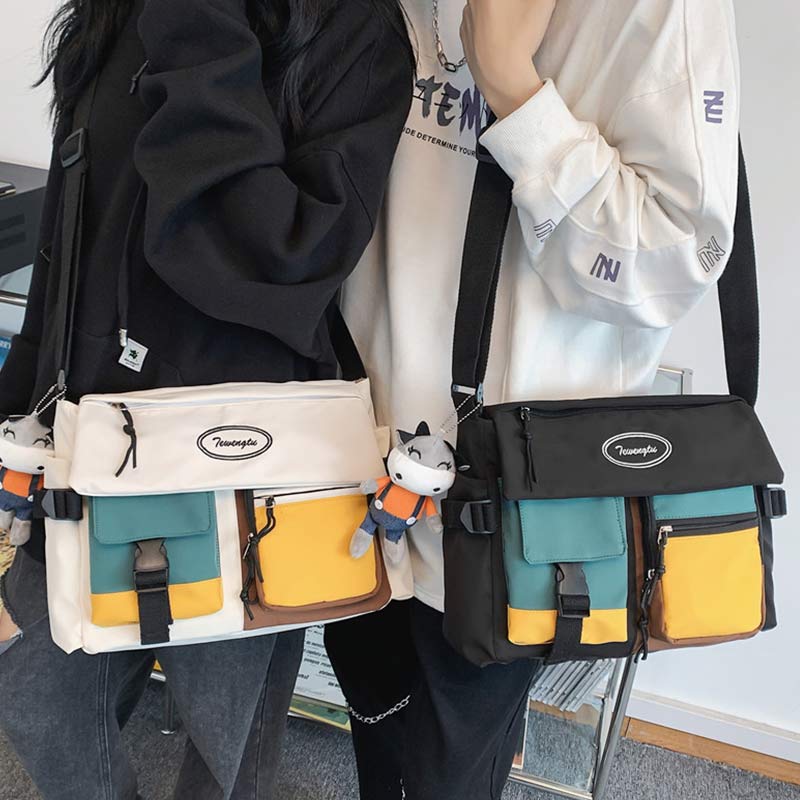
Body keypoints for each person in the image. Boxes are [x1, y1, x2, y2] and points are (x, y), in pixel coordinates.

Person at [325, 0, 741, 798]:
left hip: (509, 496)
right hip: (350, 451)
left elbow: (675, 257)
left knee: (451, 767)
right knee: (375, 721)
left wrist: (515, 91)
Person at [0, 0, 413, 797]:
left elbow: (273, 261)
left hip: (243, 467)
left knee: (224, 749)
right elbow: (72, 226)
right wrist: (20, 399)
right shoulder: (118, 12)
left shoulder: (353, 28)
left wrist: (198, 18)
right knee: (38, 697)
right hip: (93, 444)